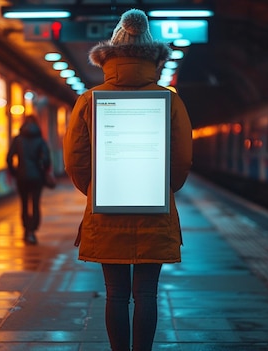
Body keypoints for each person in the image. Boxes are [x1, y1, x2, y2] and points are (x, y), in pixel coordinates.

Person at [63, 9, 193, 351]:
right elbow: (181, 159)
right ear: (153, 57)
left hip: (106, 211)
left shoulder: (89, 99)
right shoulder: (171, 100)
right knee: (147, 294)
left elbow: (75, 159)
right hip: (156, 210)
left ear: (109, 56)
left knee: (116, 295)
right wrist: (166, 188)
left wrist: (93, 189)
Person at [7, 114, 51, 245]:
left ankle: (26, 230)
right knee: (36, 204)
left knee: (24, 204)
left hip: (22, 177)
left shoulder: (18, 139)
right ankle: (33, 230)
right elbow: (47, 159)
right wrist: (42, 170)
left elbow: (9, 158)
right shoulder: (40, 139)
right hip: (37, 177)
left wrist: (15, 172)